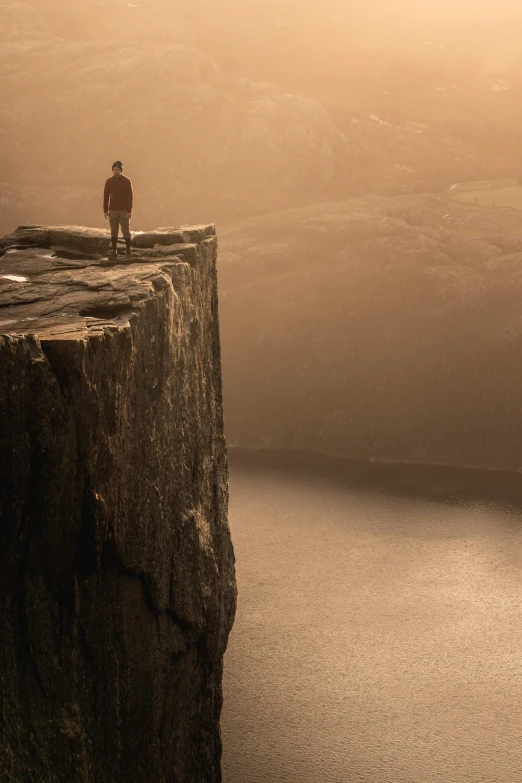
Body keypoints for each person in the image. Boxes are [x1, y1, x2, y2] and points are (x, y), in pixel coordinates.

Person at [103, 161, 133, 258]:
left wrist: (129, 210)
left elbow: (130, 197)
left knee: (126, 231)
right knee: (114, 231)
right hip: (112, 210)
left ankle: (128, 251)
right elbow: (106, 197)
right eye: (114, 169)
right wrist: (105, 210)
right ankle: (114, 251)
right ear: (112, 170)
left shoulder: (127, 181)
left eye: (118, 170)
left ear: (121, 170)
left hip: (124, 210)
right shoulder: (109, 182)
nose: (116, 171)